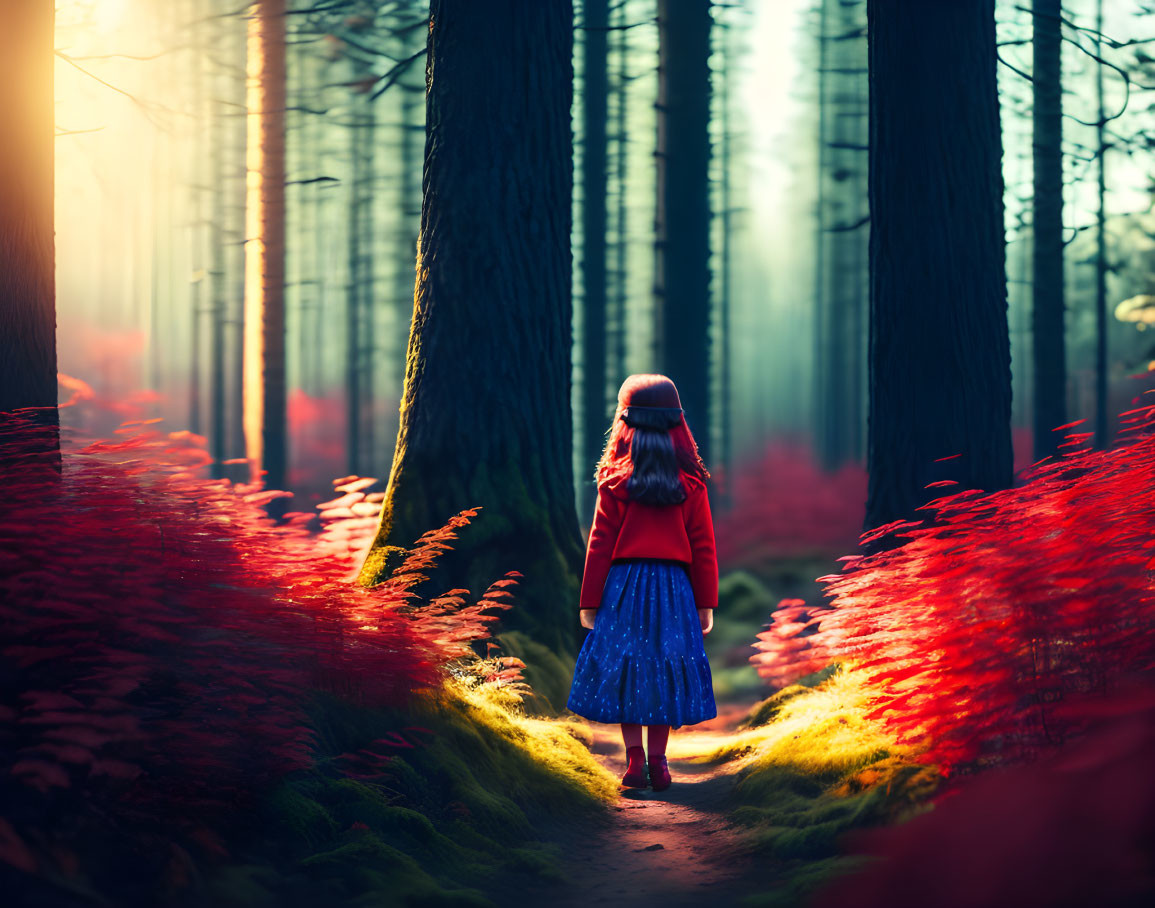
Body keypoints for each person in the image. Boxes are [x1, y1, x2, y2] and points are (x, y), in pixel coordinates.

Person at [566, 373, 718, 792]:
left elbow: (599, 543)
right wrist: (705, 601)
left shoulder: (614, 482)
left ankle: (634, 764)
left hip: (624, 587)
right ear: (677, 424)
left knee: (626, 668)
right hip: (674, 590)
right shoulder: (691, 483)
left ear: (624, 423)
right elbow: (703, 545)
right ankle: (660, 763)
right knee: (666, 669)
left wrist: (589, 601)